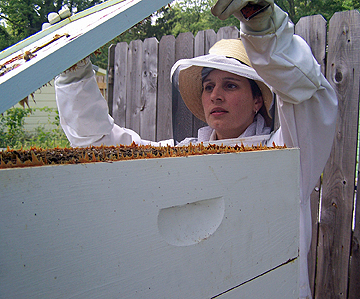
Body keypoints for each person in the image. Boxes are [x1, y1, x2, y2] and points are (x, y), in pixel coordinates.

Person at [54, 1, 338, 298]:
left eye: (230, 85)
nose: (215, 95)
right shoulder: (183, 154)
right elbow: (105, 148)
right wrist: (74, 76)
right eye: (208, 86)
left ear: (257, 101)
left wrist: (263, 24)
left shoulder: (288, 151)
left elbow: (309, 97)